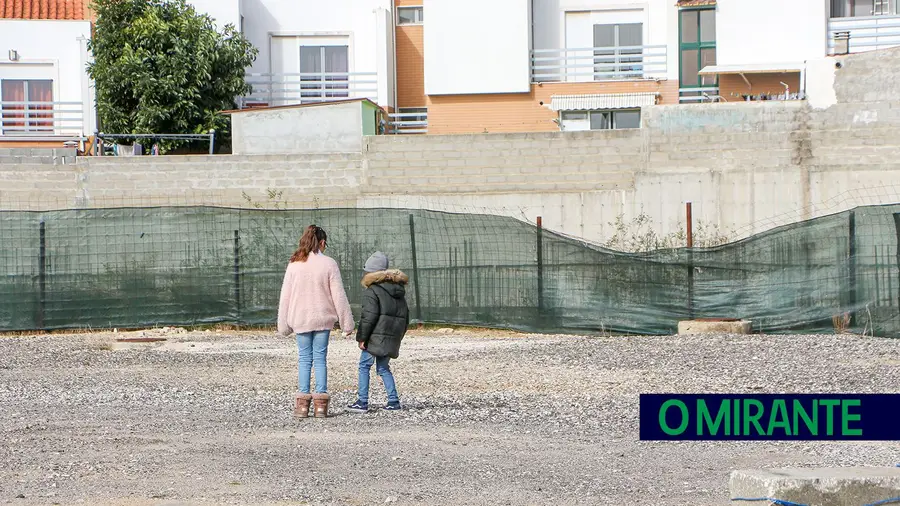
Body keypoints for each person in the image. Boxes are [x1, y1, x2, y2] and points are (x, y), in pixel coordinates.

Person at [277, 225, 354, 419]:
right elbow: (339, 295)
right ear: (321, 242)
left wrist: (283, 325)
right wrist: (347, 324)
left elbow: (285, 296)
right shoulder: (329, 264)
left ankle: (302, 406)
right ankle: (321, 406)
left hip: (300, 318)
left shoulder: (294, 263)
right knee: (320, 359)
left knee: (304, 359)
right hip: (323, 318)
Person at [347, 251, 410, 413]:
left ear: (372, 272)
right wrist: (397, 337)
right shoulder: (399, 291)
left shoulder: (372, 291)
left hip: (374, 337)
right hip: (391, 336)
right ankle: (393, 401)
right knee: (383, 368)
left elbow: (368, 317)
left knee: (364, 365)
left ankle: (362, 401)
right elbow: (405, 317)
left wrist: (362, 338)